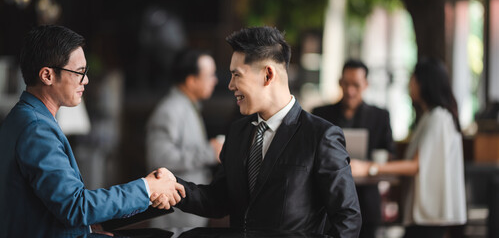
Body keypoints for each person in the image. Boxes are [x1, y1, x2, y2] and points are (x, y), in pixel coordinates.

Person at [152, 26, 361, 237]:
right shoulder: (238, 131)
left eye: (237, 75)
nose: (230, 85)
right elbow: (219, 198)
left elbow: (348, 219)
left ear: (268, 75)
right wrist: (176, 188)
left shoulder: (320, 136)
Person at [0, 25, 185, 237]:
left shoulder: (23, 117)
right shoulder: (36, 129)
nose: (86, 80)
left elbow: (47, 206)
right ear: (47, 75)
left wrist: (89, 229)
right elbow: (75, 208)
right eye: (79, 72)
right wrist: (146, 189)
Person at [351, 57, 467, 238]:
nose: (410, 85)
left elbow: (415, 165)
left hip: (430, 215)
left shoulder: (438, 118)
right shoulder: (432, 117)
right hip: (427, 214)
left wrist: (368, 168)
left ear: (424, 83)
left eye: (413, 80)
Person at [312, 59, 394, 238]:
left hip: (367, 202)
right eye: (346, 84)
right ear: (339, 82)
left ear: (366, 85)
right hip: (327, 202)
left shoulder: (380, 116)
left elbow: (389, 154)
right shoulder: (320, 114)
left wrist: (368, 166)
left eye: (356, 85)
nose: (350, 91)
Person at [146, 49, 222, 228]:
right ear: (191, 80)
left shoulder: (188, 105)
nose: (215, 80)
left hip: (186, 214)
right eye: (210, 75)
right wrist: (209, 152)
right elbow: (159, 158)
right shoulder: (170, 110)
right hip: (174, 220)